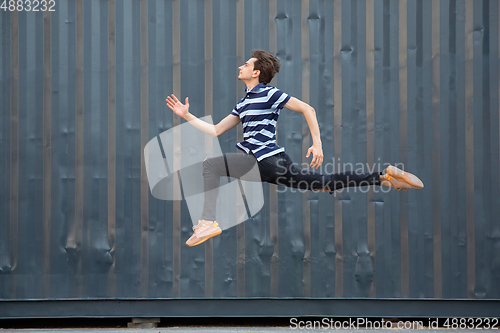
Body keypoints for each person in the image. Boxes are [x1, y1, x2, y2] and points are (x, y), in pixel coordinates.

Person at [166, 49, 423, 247]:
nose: (240, 66)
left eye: (246, 64)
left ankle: (207, 223)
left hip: (265, 160)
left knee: (211, 166)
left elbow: (307, 109)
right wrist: (187, 116)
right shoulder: (243, 103)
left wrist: (317, 143)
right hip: (266, 164)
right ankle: (385, 177)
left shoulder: (269, 93)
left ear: (256, 72)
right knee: (323, 183)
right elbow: (215, 130)